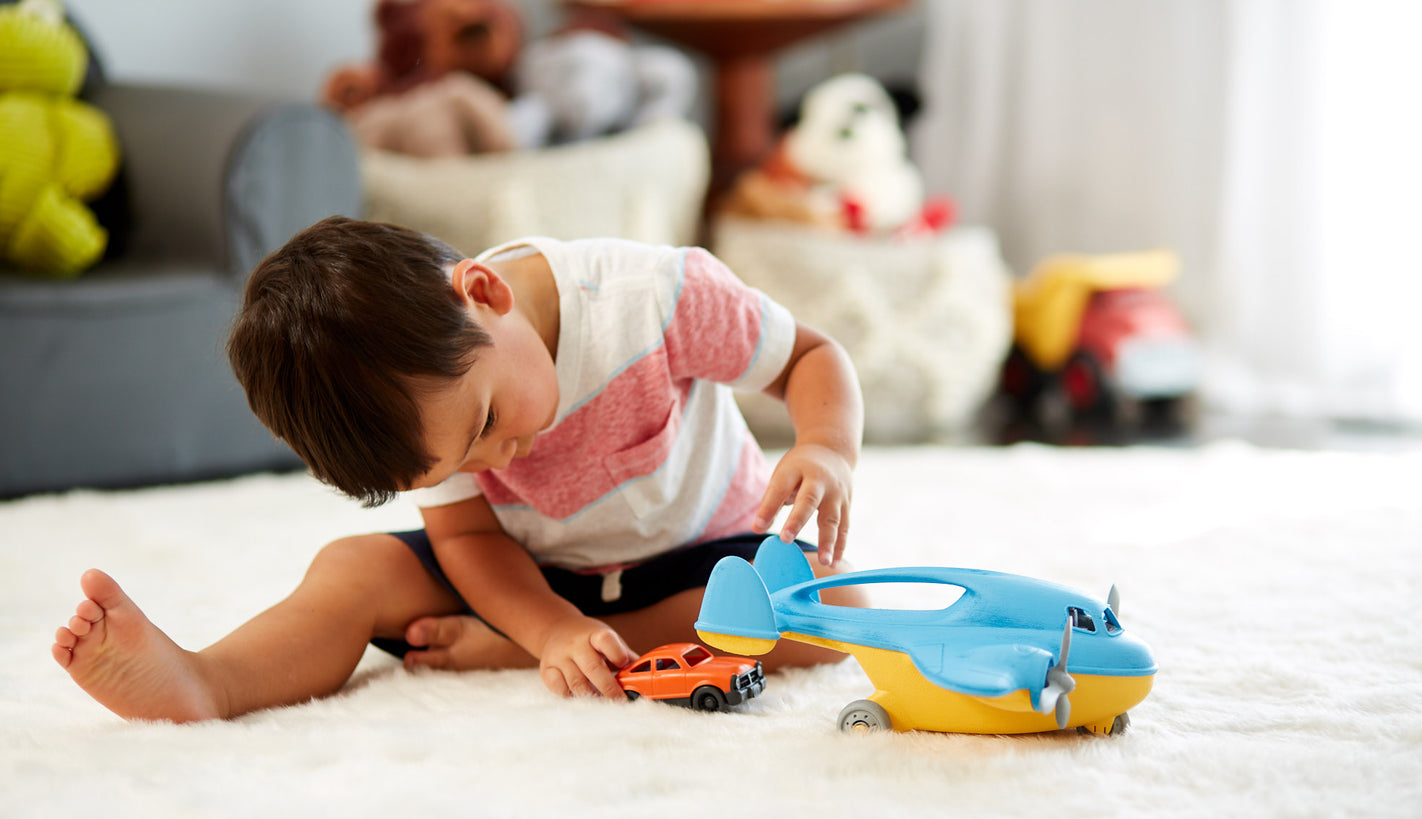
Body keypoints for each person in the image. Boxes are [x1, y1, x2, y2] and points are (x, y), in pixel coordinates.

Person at [52, 216, 865, 722]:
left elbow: (810, 356)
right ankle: (211, 682)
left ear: (484, 291)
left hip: (699, 563)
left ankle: (536, 648)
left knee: (834, 602)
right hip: (522, 572)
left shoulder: (655, 294)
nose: (498, 460)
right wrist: (545, 623)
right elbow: (469, 537)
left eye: (486, 424)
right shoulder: (425, 409)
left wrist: (823, 445)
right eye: (458, 461)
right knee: (353, 568)